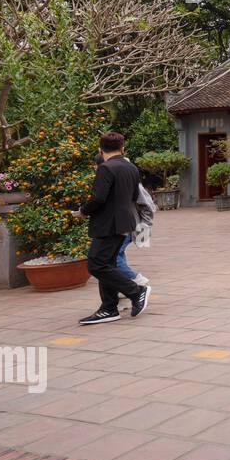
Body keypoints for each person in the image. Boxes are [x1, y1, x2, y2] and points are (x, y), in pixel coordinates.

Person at [77, 132, 148, 326]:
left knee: (96, 265)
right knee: (106, 264)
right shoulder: (131, 167)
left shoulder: (106, 168)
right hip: (125, 223)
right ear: (122, 148)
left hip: (108, 224)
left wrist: (83, 211)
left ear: (101, 149)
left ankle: (136, 291)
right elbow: (134, 195)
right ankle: (108, 308)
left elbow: (99, 198)